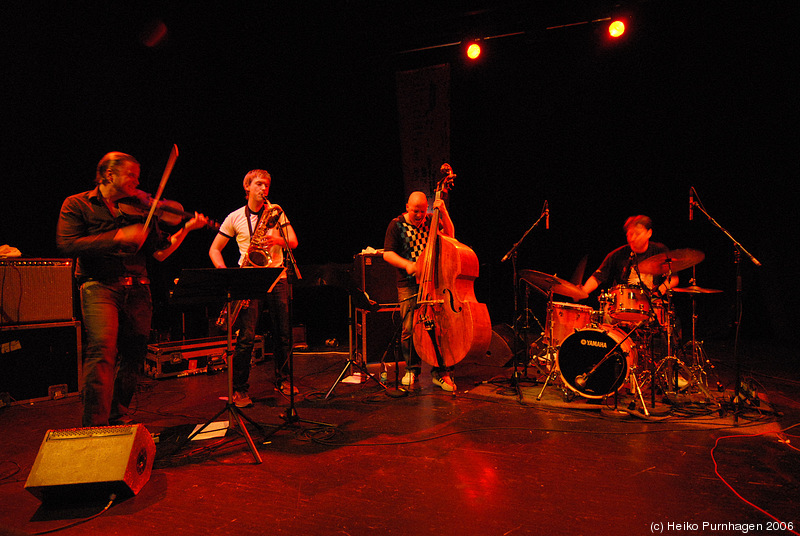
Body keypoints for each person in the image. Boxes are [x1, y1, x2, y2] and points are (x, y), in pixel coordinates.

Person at [57, 151, 210, 427]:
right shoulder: (77, 204)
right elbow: (67, 244)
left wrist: (186, 229)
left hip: (139, 289)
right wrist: (116, 236)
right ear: (108, 174)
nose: (137, 184)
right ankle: (94, 424)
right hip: (99, 286)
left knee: (135, 354)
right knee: (102, 350)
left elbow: (160, 253)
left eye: (138, 178)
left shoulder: (140, 208)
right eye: (131, 176)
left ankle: (119, 413)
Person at [208, 169, 298, 407]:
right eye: (259, 184)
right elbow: (214, 249)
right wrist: (226, 274)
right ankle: (239, 389)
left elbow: (294, 241)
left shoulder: (276, 212)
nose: (264, 189)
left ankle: (284, 379)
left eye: (267, 185)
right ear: (247, 187)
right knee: (246, 337)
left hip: (276, 276)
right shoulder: (234, 217)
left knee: (283, 334)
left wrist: (278, 240)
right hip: (248, 278)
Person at [383, 191, 456, 391]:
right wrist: (408, 265)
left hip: (434, 283)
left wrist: (444, 212)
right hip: (408, 284)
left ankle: (439, 372)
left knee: (439, 328)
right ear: (407, 207)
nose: (419, 215)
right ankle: (411, 369)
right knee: (409, 328)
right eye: (416, 211)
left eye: (423, 211)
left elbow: (450, 235)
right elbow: (388, 254)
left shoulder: (431, 220)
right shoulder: (396, 225)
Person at [580, 214, 679, 331]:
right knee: (606, 315)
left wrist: (660, 290)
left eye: (637, 234)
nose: (633, 238)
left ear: (649, 233)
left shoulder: (659, 251)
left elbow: (674, 279)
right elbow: (597, 277)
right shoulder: (618, 254)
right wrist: (582, 292)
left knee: (667, 319)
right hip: (622, 303)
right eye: (630, 234)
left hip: (650, 300)